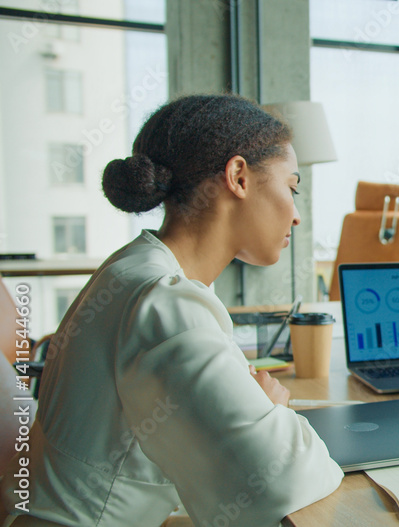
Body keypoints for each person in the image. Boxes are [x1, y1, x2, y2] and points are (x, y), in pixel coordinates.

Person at [0, 94, 343, 526]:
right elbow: (280, 480)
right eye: (291, 187)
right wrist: (273, 410)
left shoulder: (134, 266)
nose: (296, 215)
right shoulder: (163, 299)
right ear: (238, 176)